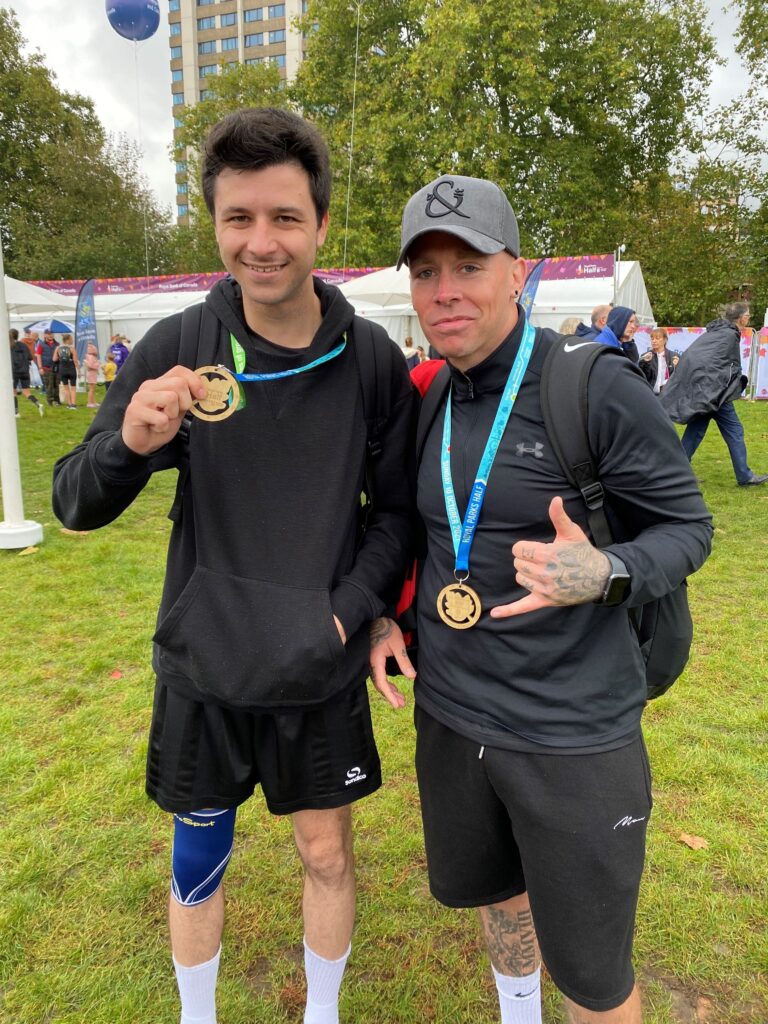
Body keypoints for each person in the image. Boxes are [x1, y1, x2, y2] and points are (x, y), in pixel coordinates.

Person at [52, 107, 414, 1024]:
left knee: (327, 855)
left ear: (321, 224)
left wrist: (346, 612)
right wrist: (130, 444)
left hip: (317, 664)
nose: (262, 242)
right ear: (215, 224)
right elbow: (74, 501)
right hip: (206, 668)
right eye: (238, 218)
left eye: (285, 217)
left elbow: (397, 515)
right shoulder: (178, 346)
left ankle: (322, 1013)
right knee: (198, 863)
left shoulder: (369, 358)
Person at [369, 174, 712, 1024]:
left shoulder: (590, 385)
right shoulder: (433, 393)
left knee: (593, 977)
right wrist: (387, 616)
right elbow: (424, 533)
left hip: (569, 733)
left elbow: (688, 528)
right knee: (497, 896)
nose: (445, 291)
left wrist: (605, 571)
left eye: (468, 266)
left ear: (517, 273)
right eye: (425, 271)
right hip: (453, 716)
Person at [660, 301, 767, 486]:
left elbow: (705, 360)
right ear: (742, 318)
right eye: (748, 315)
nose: (749, 318)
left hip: (707, 391)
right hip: (714, 393)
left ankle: (677, 472)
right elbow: (725, 366)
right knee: (734, 431)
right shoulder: (729, 335)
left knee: (695, 431)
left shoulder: (717, 332)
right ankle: (745, 476)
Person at [10, 329, 45, 417]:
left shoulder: (9, 346)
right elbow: (30, 357)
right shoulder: (23, 345)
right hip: (25, 371)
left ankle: (16, 412)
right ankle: (38, 404)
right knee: (27, 392)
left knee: (13, 392)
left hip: (14, 371)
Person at [638, 328, 677, 394]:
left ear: (665, 340)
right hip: (650, 394)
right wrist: (646, 362)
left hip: (667, 394)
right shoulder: (645, 356)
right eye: (652, 339)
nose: (654, 341)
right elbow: (643, 377)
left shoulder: (674, 356)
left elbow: (677, 377)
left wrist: (677, 366)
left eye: (657, 338)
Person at [54, 333, 80, 409]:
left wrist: (60, 357)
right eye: (71, 339)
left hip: (62, 369)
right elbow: (75, 361)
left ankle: (69, 404)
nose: (72, 340)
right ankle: (73, 405)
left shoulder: (58, 348)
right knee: (73, 388)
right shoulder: (72, 349)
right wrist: (79, 371)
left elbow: (54, 359)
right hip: (71, 369)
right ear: (68, 340)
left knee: (66, 388)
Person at [36, 329, 61, 406]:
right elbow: (38, 356)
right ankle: (50, 401)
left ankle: (57, 400)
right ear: (45, 335)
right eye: (48, 334)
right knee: (49, 385)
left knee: (56, 385)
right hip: (46, 368)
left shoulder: (58, 344)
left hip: (57, 368)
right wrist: (40, 368)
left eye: (52, 334)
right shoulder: (41, 345)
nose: (50, 335)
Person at [84, 344, 101, 408]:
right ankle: (89, 403)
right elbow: (91, 365)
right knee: (91, 389)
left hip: (92, 373)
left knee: (93, 389)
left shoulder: (90, 357)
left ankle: (93, 402)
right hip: (91, 374)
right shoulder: (91, 357)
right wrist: (98, 363)